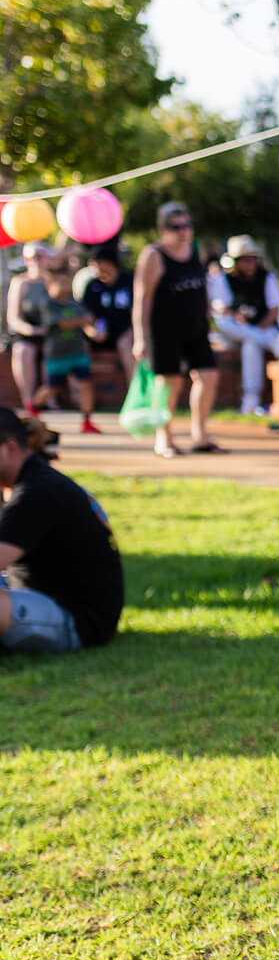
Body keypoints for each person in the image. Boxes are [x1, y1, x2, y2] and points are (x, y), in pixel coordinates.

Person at [0, 408, 123, 653]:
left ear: (10, 448)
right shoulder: (21, 483)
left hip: (77, 619)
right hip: (34, 594)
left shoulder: (37, 492)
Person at [133, 202, 224, 458]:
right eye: (176, 227)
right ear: (163, 229)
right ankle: (165, 438)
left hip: (196, 328)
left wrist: (208, 315)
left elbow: (202, 285)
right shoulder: (153, 255)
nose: (183, 232)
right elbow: (142, 297)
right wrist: (140, 337)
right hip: (164, 330)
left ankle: (200, 435)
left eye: (187, 225)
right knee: (169, 383)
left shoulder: (195, 249)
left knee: (208, 375)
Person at [209, 235, 279, 416]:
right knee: (225, 324)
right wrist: (236, 316)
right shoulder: (223, 279)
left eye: (252, 259)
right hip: (236, 333)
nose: (250, 264)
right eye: (245, 260)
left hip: (261, 330)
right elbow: (221, 308)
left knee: (251, 346)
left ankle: (251, 400)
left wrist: (257, 329)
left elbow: (274, 311)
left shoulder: (267, 277)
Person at [33, 262, 98, 433]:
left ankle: (87, 421)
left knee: (85, 384)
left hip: (77, 352)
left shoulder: (75, 305)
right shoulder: (48, 304)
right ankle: (33, 408)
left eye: (66, 282)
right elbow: (63, 323)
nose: (65, 286)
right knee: (53, 388)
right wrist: (84, 321)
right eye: (60, 282)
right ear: (50, 284)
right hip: (57, 354)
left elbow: (89, 322)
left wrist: (93, 332)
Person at [7, 243, 54, 417]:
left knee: (53, 352)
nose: (35, 261)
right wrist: (31, 330)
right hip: (28, 332)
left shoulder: (53, 281)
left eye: (39, 256)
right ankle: (29, 401)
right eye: (30, 257)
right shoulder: (20, 282)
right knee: (23, 351)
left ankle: (48, 399)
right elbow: (13, 318)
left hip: (52, 332)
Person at [82, 243, 135, 383]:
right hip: (101, 333)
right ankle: (82, 393)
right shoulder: (91, 286)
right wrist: (91, 332)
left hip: (127, 332)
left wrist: (132, 331)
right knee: (77, 345)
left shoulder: (129, 280)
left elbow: (139, 310)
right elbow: (85, 317)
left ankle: (136, 391)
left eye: (96, 262)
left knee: (125, 343)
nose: (92, 266)